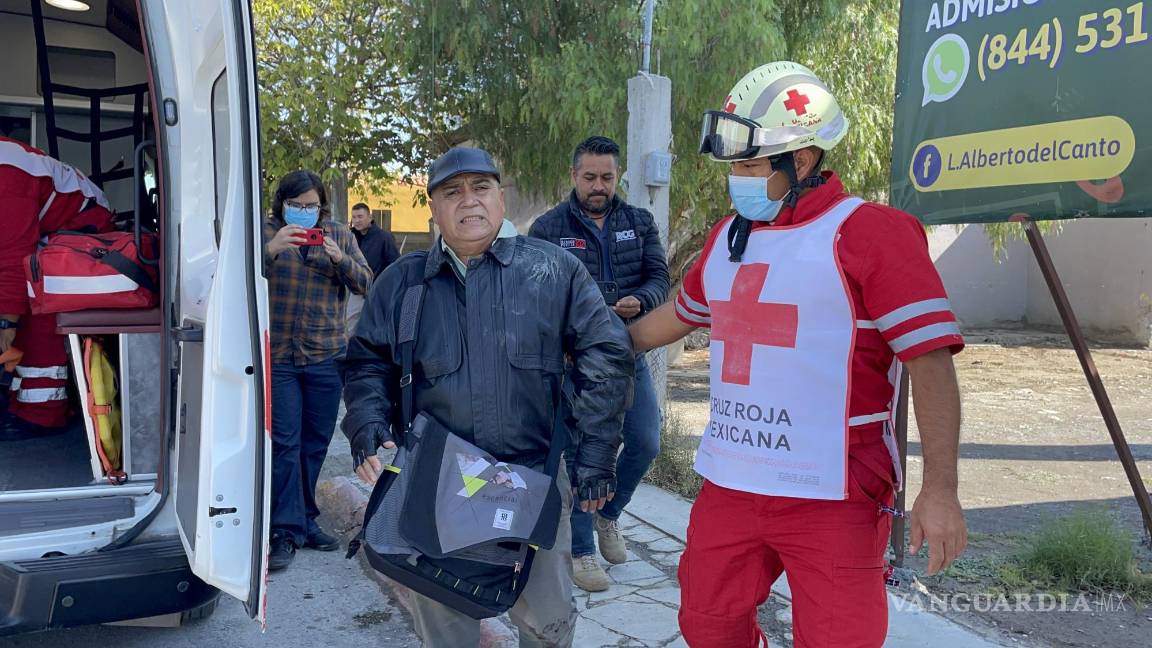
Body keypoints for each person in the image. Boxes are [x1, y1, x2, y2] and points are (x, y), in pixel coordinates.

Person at [628, 62, 968, 647]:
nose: (736, 178)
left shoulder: (872, 232)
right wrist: (589, 341)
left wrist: (940, 490)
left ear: (802, 162)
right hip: (731, 483)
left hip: (834, 492)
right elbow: (673, 319)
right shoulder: (727, 237)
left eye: (751, 165)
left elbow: (931, 363)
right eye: (735, 166)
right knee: (707, 626)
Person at [341, 146, 633, 647]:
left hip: (534, 480)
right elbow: (367, 361)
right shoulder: (403, 284)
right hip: (437, 485)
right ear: (432, 206)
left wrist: (596, 456)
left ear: (501, 197)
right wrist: (368, 425)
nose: (468, 202)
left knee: (548, 623)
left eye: (480, 188)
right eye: (452, 191)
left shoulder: (555, 272)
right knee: (445, 624)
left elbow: (605, 358)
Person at [528, 135, 669, 592]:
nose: (598, 185)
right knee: (582, 453)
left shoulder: (639, 221)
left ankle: (610, 514)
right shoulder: (548, 228)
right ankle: (583, 550)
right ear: (573, 175)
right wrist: (586, 315)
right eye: (589, 177)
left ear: (617, 176)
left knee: (645, 440)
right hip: (574, 364)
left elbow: (658, 278)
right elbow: (534, 292)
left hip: (628, 355)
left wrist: (640, 300)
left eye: (607, 177)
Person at [263, 170, 372, 571]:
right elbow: (236, 276)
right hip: (280, 357)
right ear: (283, 203)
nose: (305, 212)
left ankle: (305, 520)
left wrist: (340, 259)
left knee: (315, 445)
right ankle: (285, 531)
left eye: (312, 206)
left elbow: (366, 282)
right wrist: (271, 249)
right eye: (298, 205)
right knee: (285, 445)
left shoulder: (341, 234)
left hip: (326, 354)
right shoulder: (266, 231)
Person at [0, 136, 115, 441]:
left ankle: (42, 414)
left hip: (87, 232)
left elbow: (12, 258)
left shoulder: (7, 178)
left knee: (35, 295)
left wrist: (5, 323)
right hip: (44, 231)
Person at [346, 202, 400, 336]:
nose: (356, 220)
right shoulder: (350, 237)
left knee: (377, 326)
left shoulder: (384, 237)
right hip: (356, 288)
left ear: (370, 217)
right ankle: (354, 353)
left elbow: (395, 264)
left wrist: (386, 287)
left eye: (360, 216)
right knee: (351, 324)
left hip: (378, 290)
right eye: (354, 217)